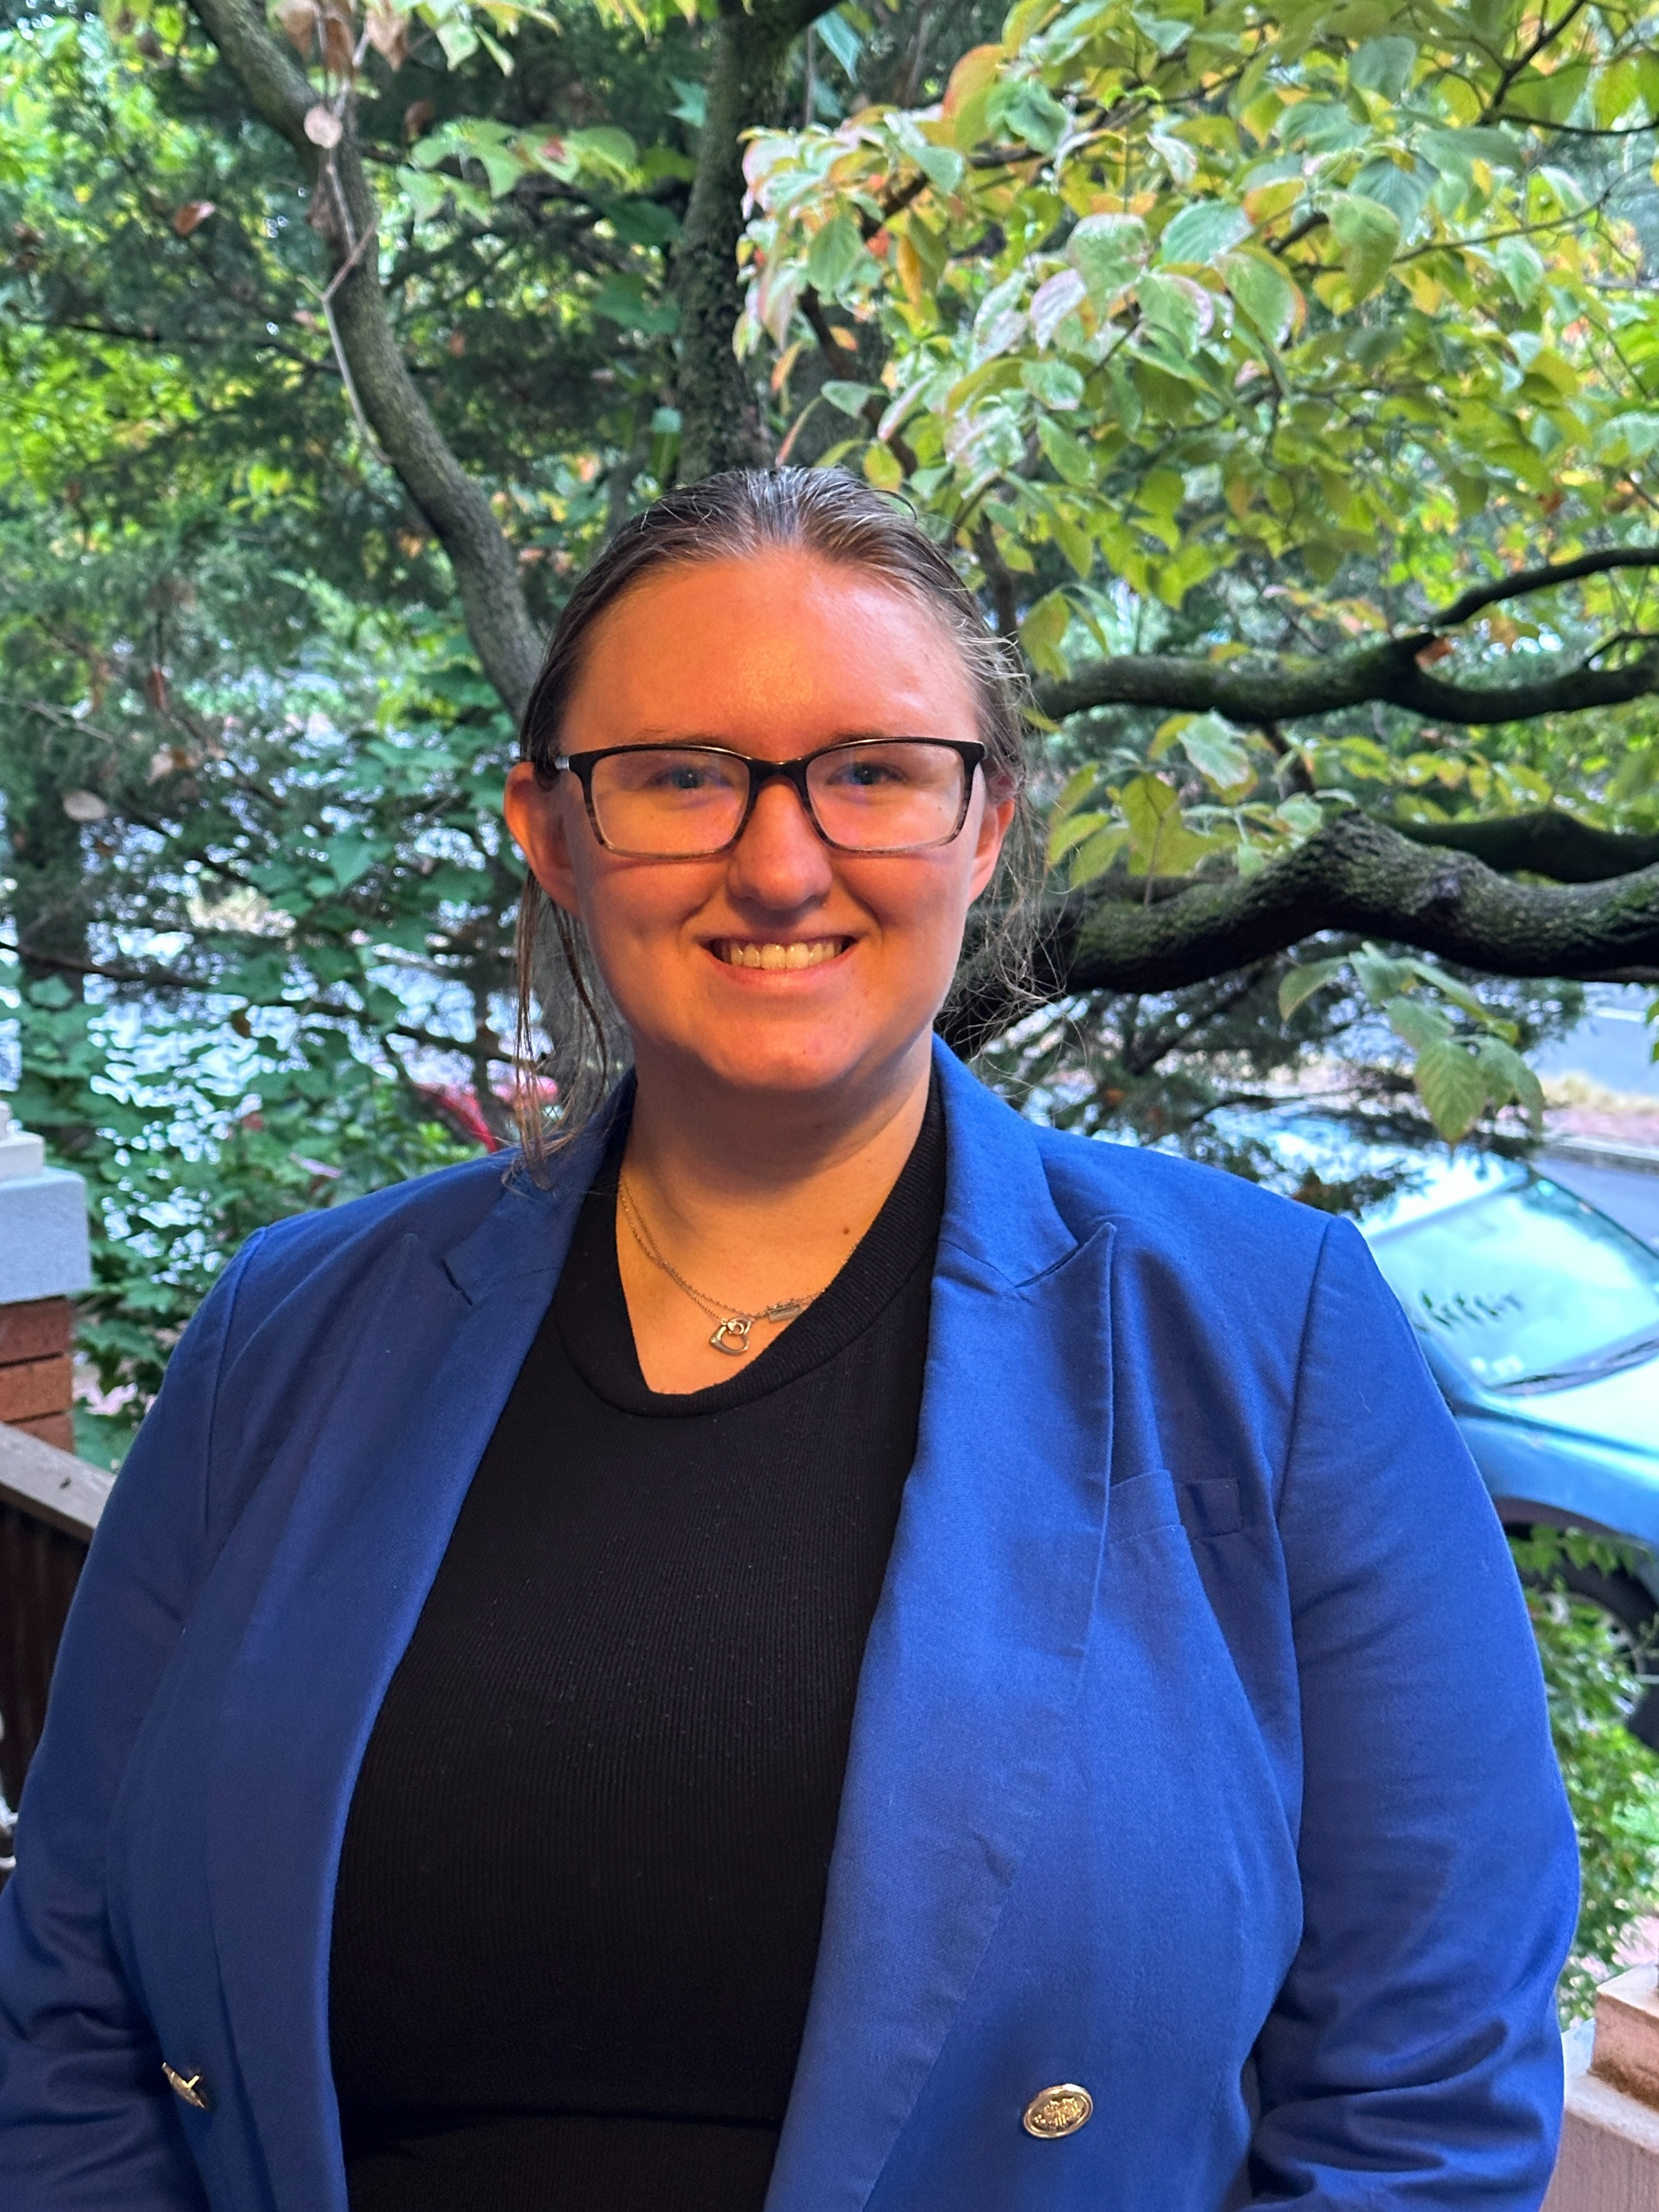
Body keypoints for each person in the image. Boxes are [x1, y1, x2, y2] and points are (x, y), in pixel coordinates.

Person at [0, 468, 1576, 2212]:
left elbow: (1422, 2085)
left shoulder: (1266, 1342)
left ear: (981, 827)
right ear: (552, 828)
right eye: (679, 774)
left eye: (872, 774)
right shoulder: (285, 1336)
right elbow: (69, 1989)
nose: (776, 859)